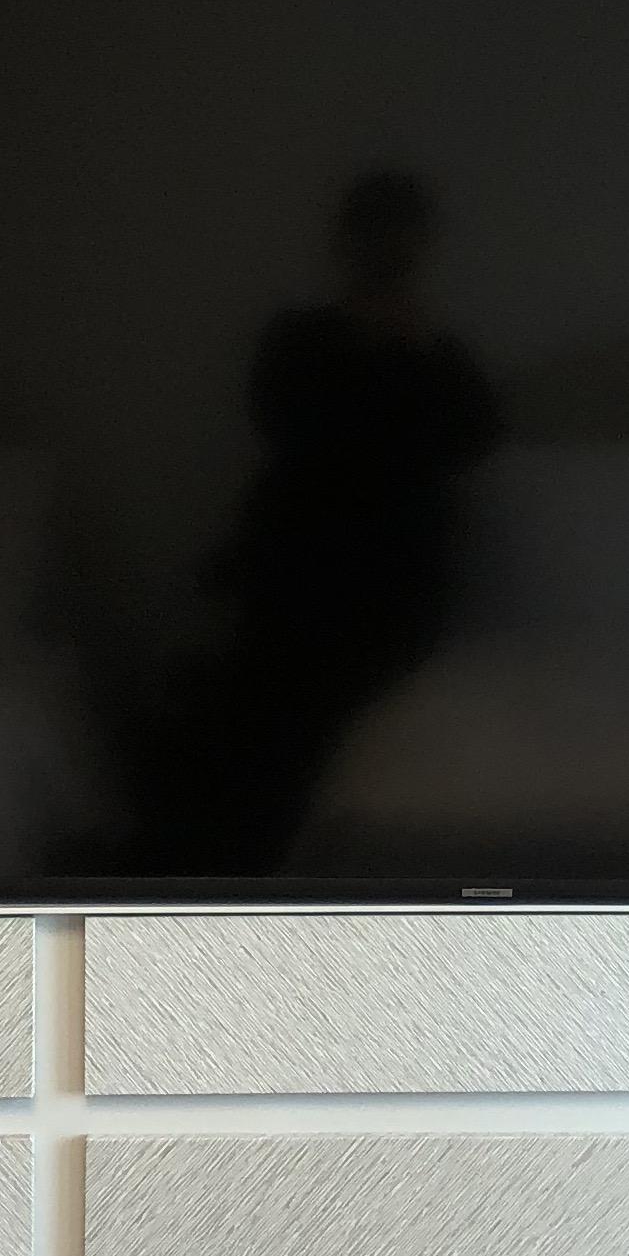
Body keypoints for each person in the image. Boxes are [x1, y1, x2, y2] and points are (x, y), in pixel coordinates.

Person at [162, 169, 500, 864]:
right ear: (348, 245)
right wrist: (363, 346)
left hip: (391, 578)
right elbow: (285, 425)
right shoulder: (301, 340)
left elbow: (473, 438)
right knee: (261, 707)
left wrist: (415, 350)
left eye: (401, 241)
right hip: (301, 566)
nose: (388, 255)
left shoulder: (437, 353)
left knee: (319, 696)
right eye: (376, 238)